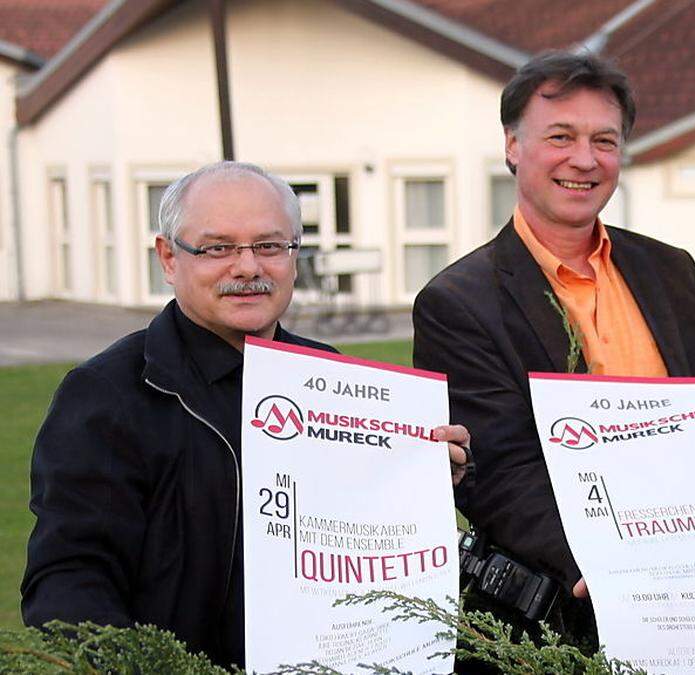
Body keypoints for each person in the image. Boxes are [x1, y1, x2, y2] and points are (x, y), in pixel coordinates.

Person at [21, 161, 471, 668]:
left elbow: (355, 535)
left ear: (295, 256)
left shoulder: (335, 379)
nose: (248, 268)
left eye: (269, 246)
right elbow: (68, 579)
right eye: (218, 248)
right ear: (169, 258)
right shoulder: (108, 397)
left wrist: (417, 482)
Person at [412, 51, 695, 648]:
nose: (584, 160)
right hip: (565, 621)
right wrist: (618, 566)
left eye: (605, 141)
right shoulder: (458, 302)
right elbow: (496, 475)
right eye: (560, 136)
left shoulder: (672, 271)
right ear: (512, 145)